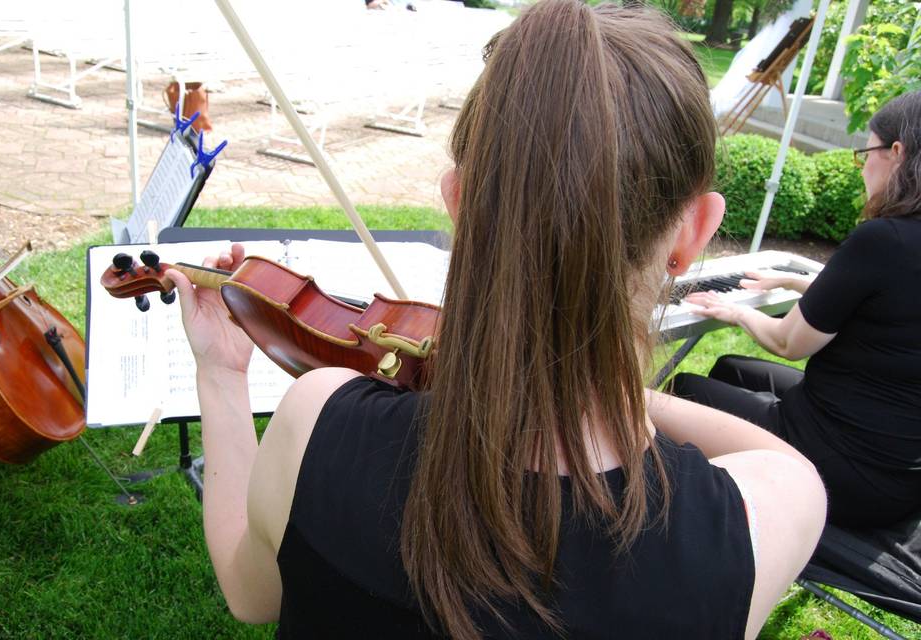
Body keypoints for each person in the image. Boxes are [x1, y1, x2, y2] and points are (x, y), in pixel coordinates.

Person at [168, 2, 826, 638]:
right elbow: (781, 461)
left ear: (459, 202)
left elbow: (248, 591)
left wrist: (223, 376)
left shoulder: (316, 419)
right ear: (695, 232)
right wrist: (584, 380)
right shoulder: (758, 521)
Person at [671, 90, 921, 529]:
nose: (864, 164)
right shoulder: (900, 246)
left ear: (896, 153)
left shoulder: (885, 239)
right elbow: (888, 300)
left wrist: (737, 312)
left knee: (681, 389)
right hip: (899, 479)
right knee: (731, 367)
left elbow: (789, 342)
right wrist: (791, 280)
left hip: (838, 470)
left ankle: (696, 526)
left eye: (867, 151)